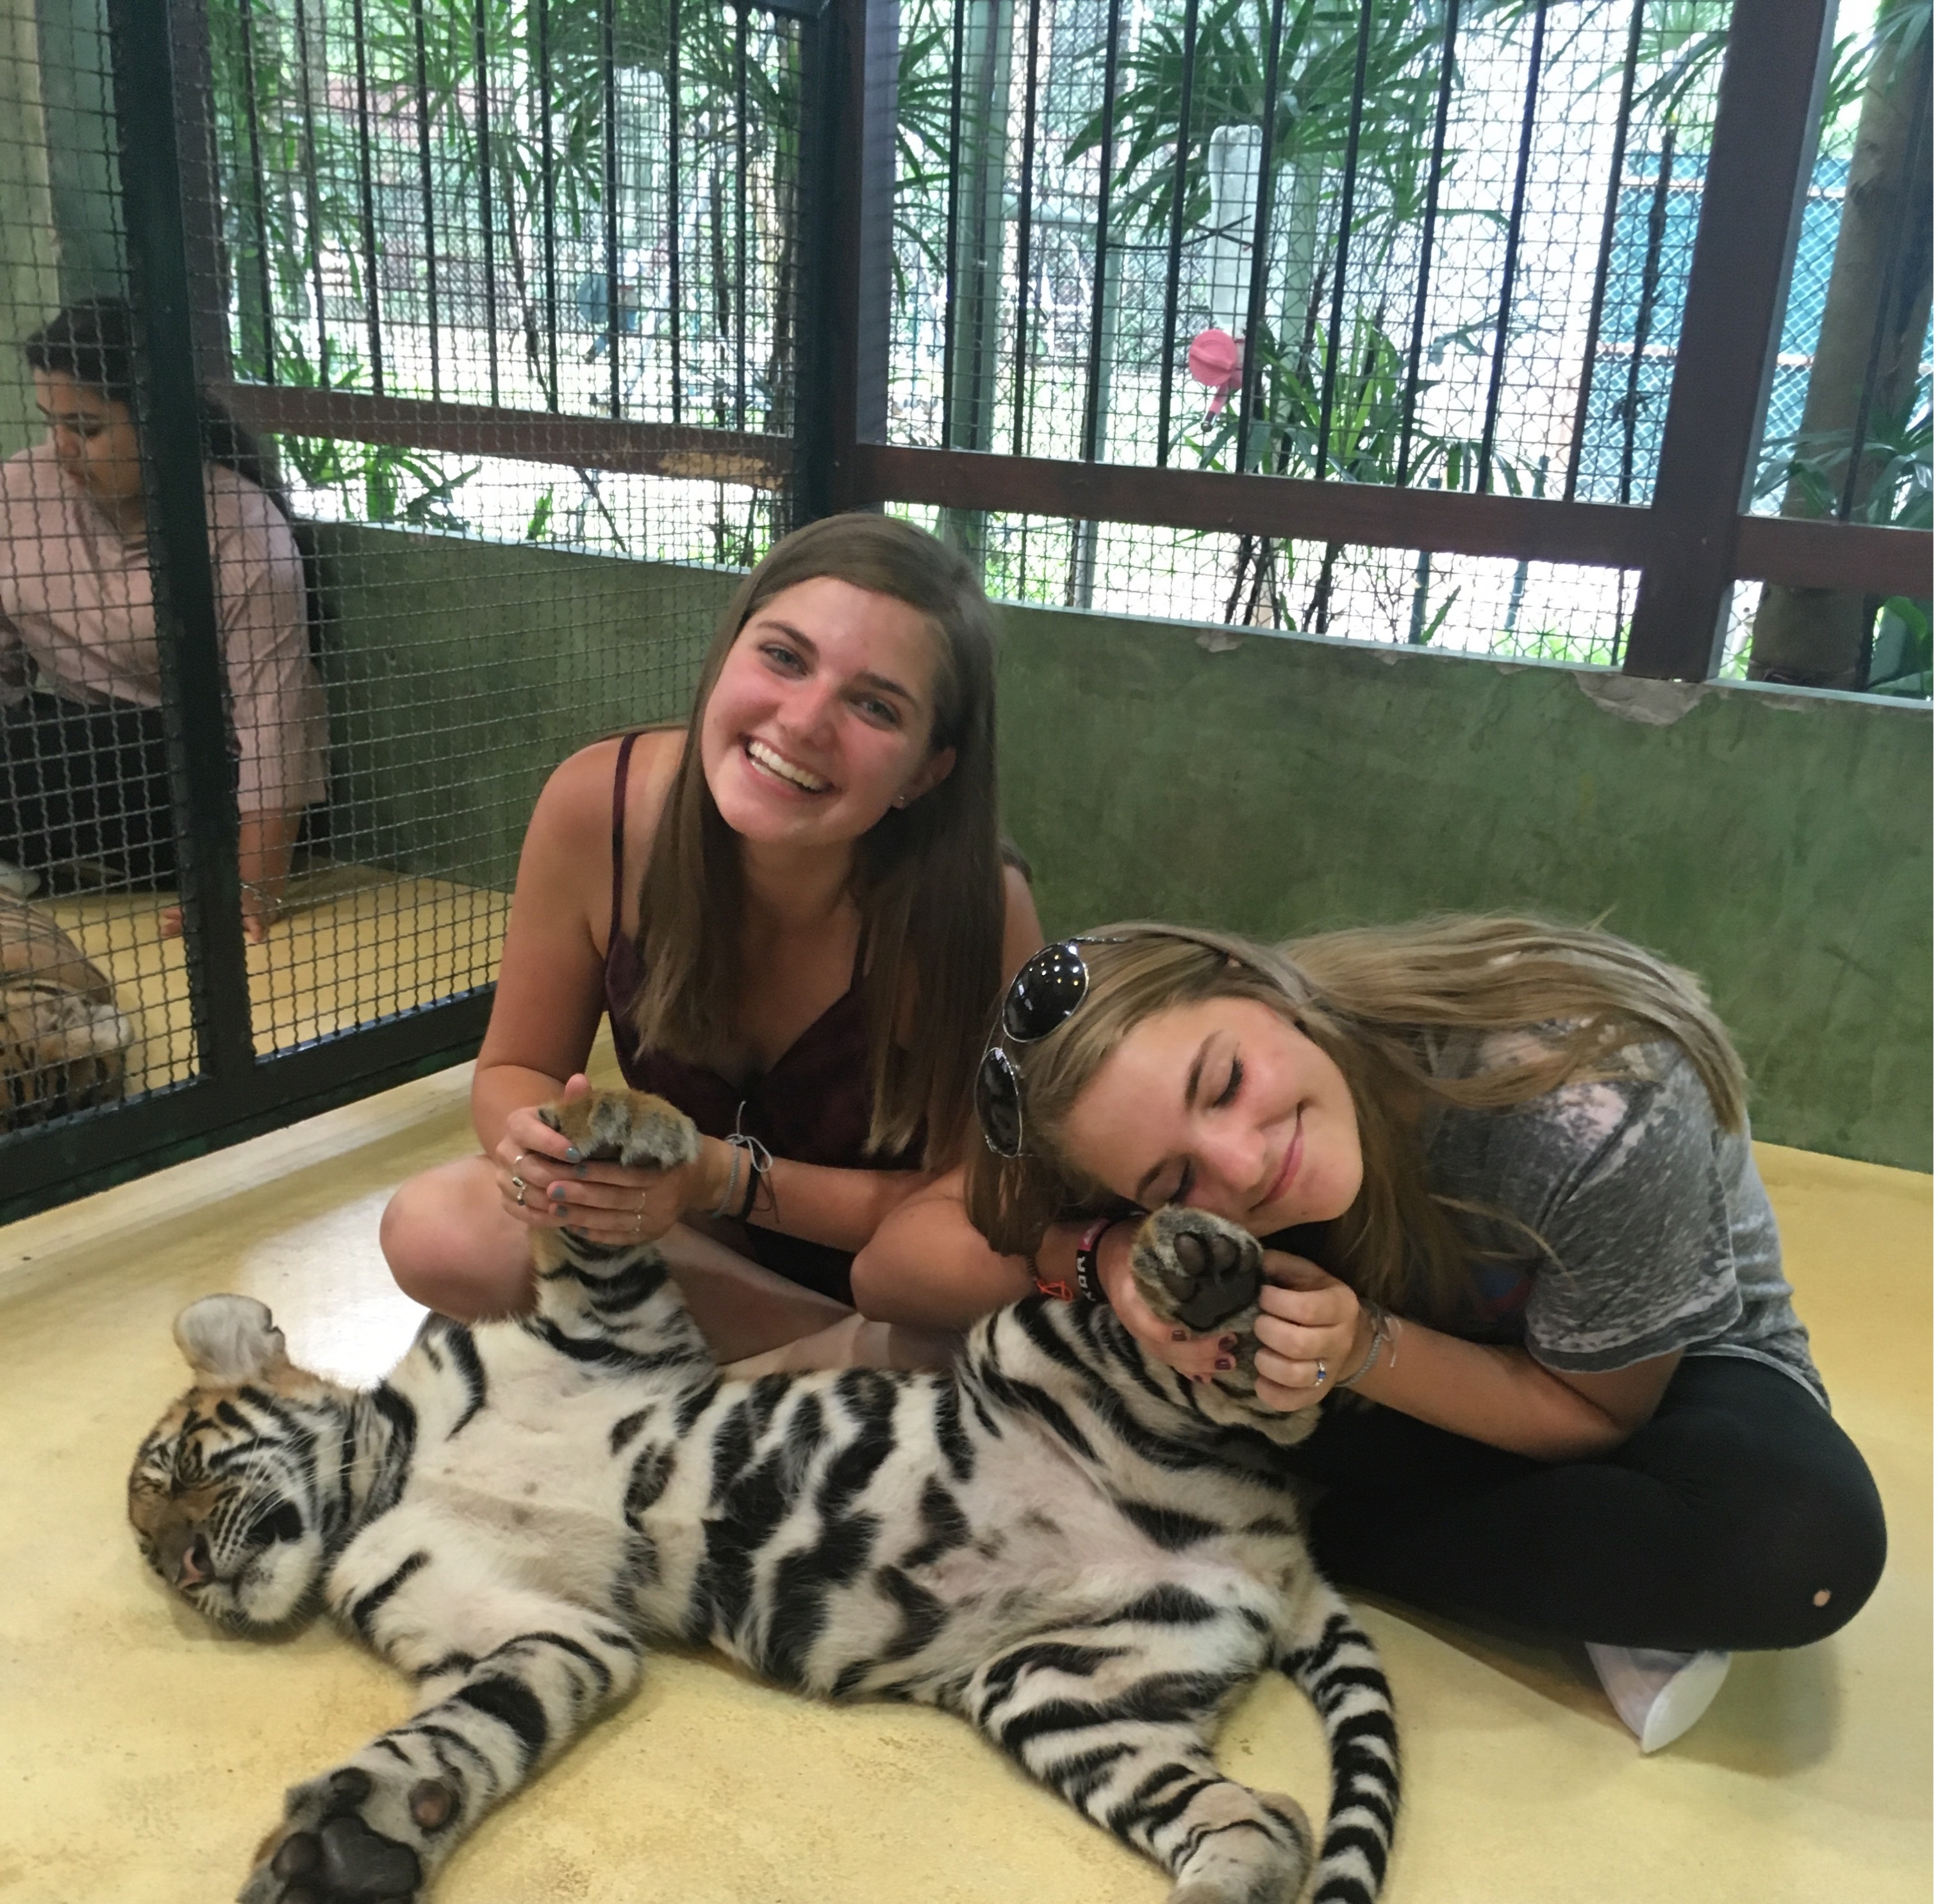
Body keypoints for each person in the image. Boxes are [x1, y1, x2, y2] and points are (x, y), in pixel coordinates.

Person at [856, 915, 1887, 1753]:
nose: (1243, 1164)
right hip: (1363, 1378)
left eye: (1225, 1084)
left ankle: (1317, 1525)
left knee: (1801, 1549)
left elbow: (1595, 1418)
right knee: (1150, 1323)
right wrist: (1106, 1258)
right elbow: (889, 1269)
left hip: (1661, 1382)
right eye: (1174, 1181)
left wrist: (1362, 1352)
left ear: (1259, 987)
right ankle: (1575, 1575)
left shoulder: (1590, 1097)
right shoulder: (1149, 1127)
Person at [380, 511, 1043, 1364]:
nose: (803, 722)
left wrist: (721, 1177)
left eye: (875, 705)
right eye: (784, 657)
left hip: (881, 1278)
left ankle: (806, 1368)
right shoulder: (598, 807)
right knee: (439, 1227)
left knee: (979, 1275)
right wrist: (549, 1153)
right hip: (699, 1252)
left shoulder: (979, 909)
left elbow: (979, 1210)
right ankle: (829, 1368)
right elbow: (514, 1069)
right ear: (725, 652)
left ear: (926, 769)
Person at [0, 295, 324, 940]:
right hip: (71, 742)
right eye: (50, 423)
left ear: (157, 420)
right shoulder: (19, 490)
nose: (61, 449)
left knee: (63, 757)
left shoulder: (240, 529)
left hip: (197, 782)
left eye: (85, 428)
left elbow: (275, 726)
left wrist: (250, 890)